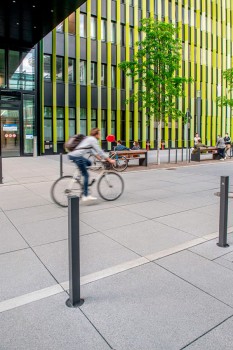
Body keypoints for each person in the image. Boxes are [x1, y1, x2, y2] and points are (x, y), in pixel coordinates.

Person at [68, 128, 115, 202]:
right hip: (77, 157)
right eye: (99, 134)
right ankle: (85, 195)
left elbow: (94, 152)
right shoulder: (93, 140)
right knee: (86, 175)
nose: (100, 135)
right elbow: (100, 152)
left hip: (73, 155)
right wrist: (109, 160)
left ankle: (80, 178)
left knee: (89, 163)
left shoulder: (88, 139)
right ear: (96, 134)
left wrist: (101, 160)